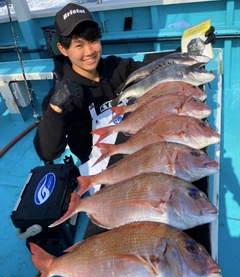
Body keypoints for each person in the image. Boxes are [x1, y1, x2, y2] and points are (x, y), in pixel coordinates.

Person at [33, 2, 215, 165]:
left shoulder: (114, 67)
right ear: (63, 49)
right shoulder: (62, 95)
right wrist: (55, 108)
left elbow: (152, 68)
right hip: (101, 165)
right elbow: (47, 153)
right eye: (79, 45)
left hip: (139, 144)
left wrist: (187, 51)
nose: (89, 52)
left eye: (93, 41)